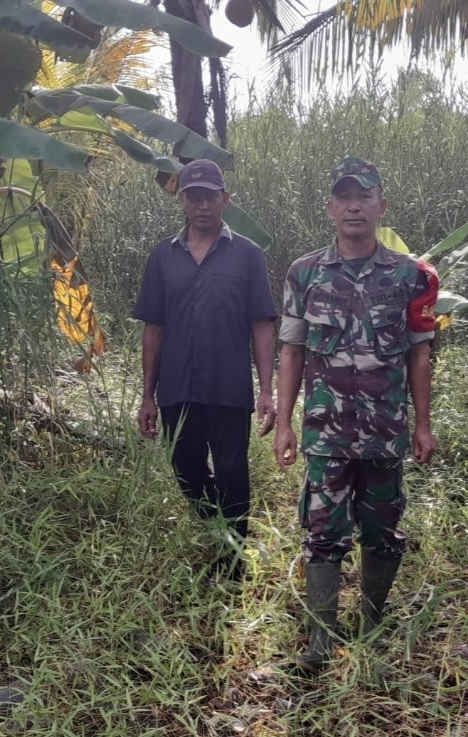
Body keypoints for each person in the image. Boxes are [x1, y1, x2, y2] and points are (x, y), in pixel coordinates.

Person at [273, 157, 439, 672]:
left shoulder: (411, 277)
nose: (353, 205)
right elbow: (292, 353)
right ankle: (320, 642)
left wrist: (423, 423)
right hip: (326, 433)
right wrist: (283, 423)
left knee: (383, 529)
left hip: (385, 432)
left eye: (364, 196)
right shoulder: (304, 273)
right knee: (322, 531)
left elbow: (419, 354)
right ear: (330, 208)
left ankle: (371, 632)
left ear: (381, 207)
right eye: (344, 196)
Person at [133, 159, 277, 581]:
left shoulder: (248, 255)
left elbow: (262, 326)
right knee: (186, 469)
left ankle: (232, 565)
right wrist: (147, 395)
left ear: (224, 200)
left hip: (229, 387)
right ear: (182, 201)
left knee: (233, 472)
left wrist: (266, 389)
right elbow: (153, 328)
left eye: (210, 196)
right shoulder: (164, 257)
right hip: (177, 387)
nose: (202, 205)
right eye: (193, 197)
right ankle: (220, 531)